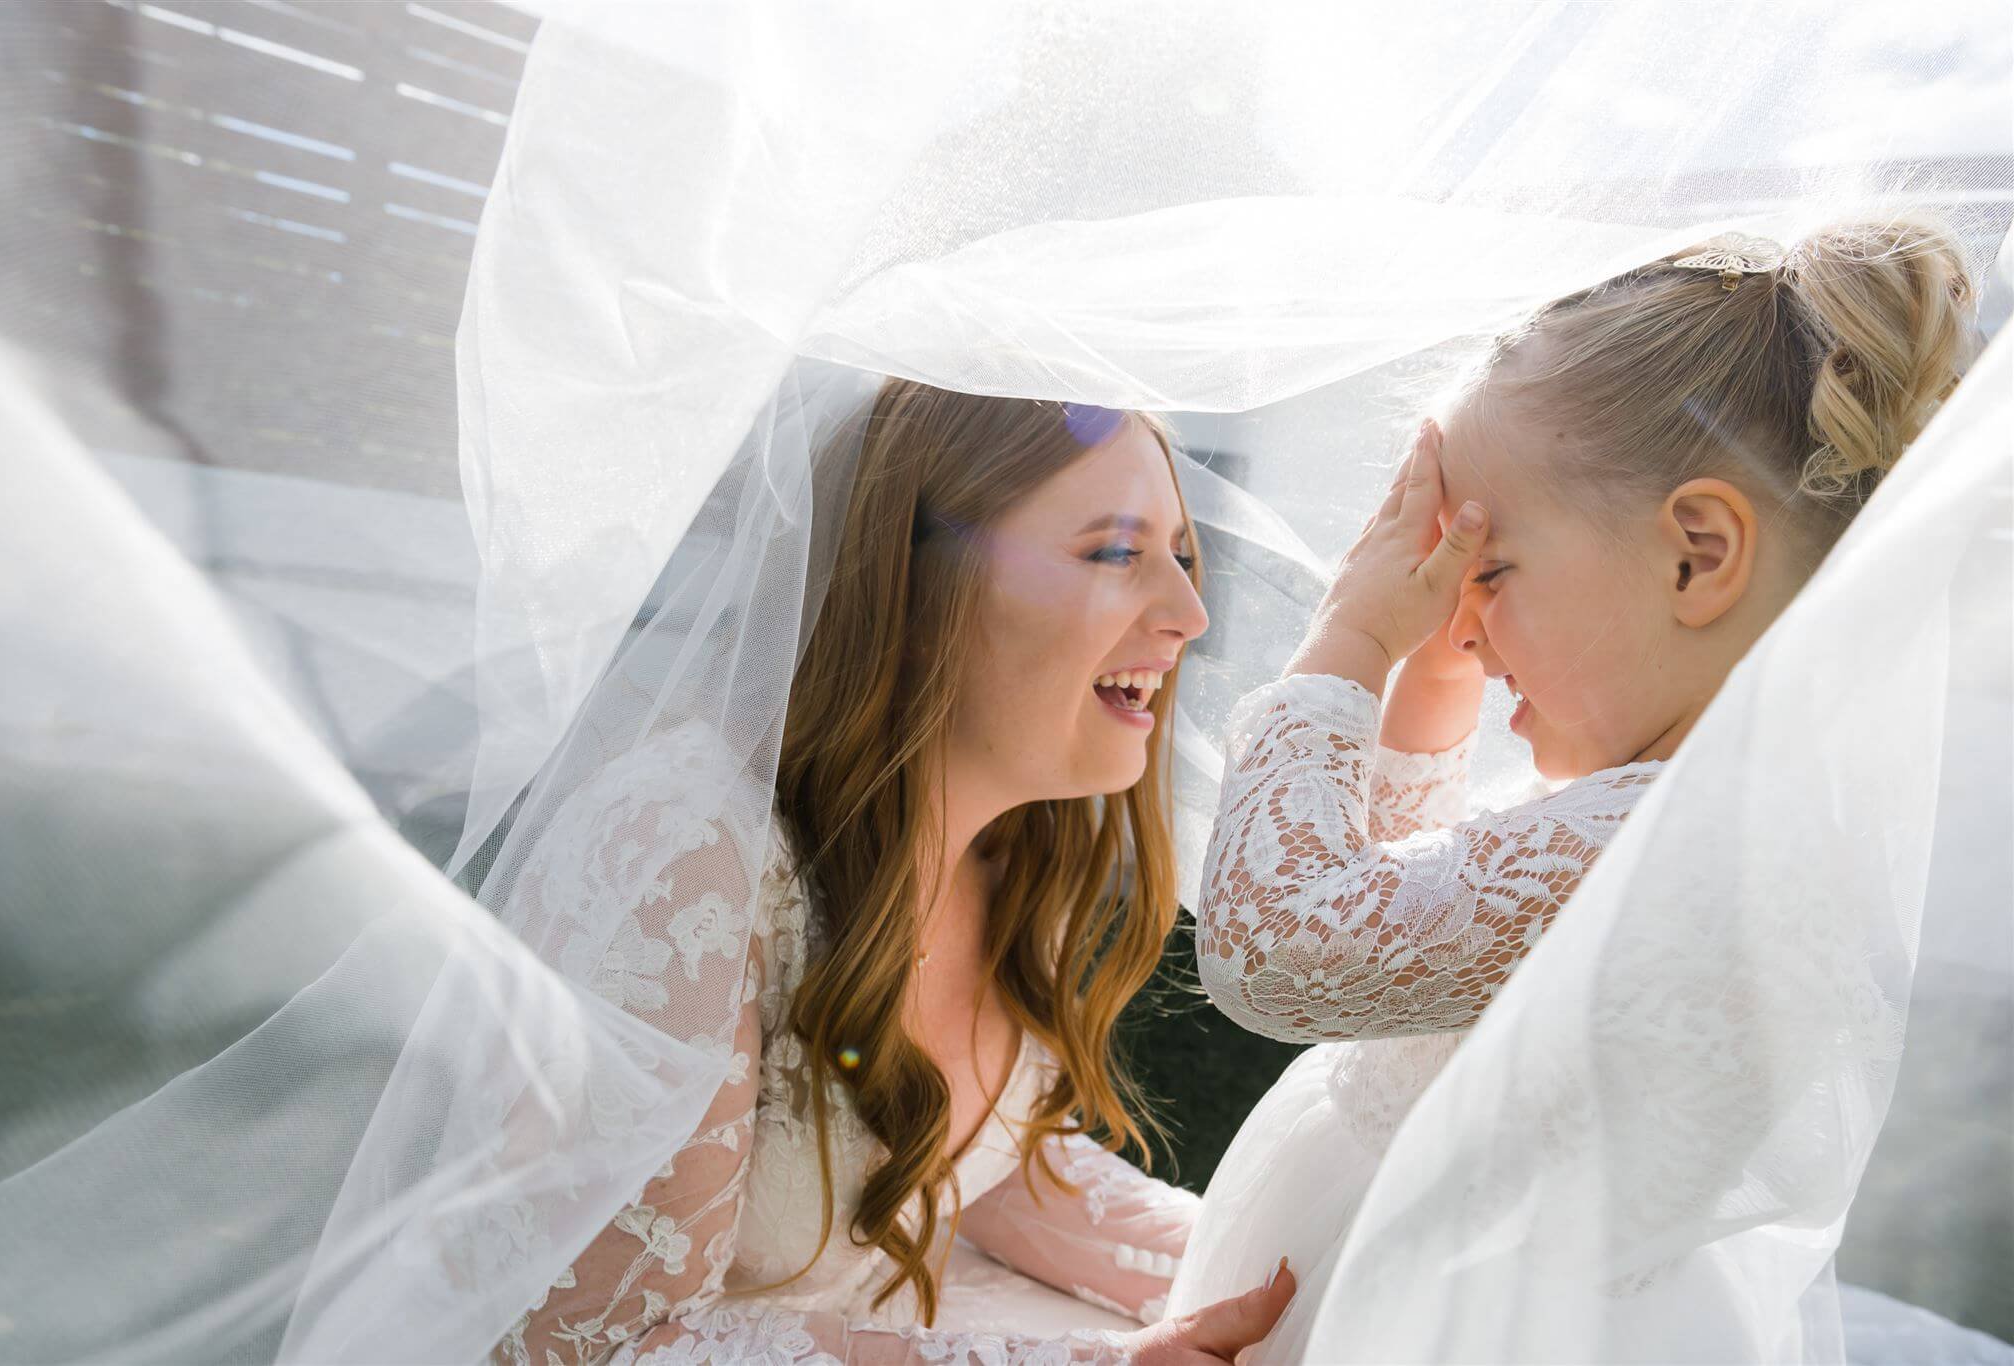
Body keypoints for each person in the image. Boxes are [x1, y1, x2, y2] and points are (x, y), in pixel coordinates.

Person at [1194, 218, 1976, 1278]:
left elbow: (1277, 952)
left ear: (1695, 558)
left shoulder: (1661, 843)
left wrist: (1348, 640)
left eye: (1493, 569)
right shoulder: (1695, 813)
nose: (1456, 618)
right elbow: (1398, 909)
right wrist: (1433, 675)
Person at [495, 379, 1295, 1365]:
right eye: (1116, 553)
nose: (1187, 614)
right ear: (912, 586)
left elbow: (969, 1162)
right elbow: (595, 1341)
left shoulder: (1006, 855)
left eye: (1180, 556)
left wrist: (1300, 1278)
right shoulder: (687, 861)